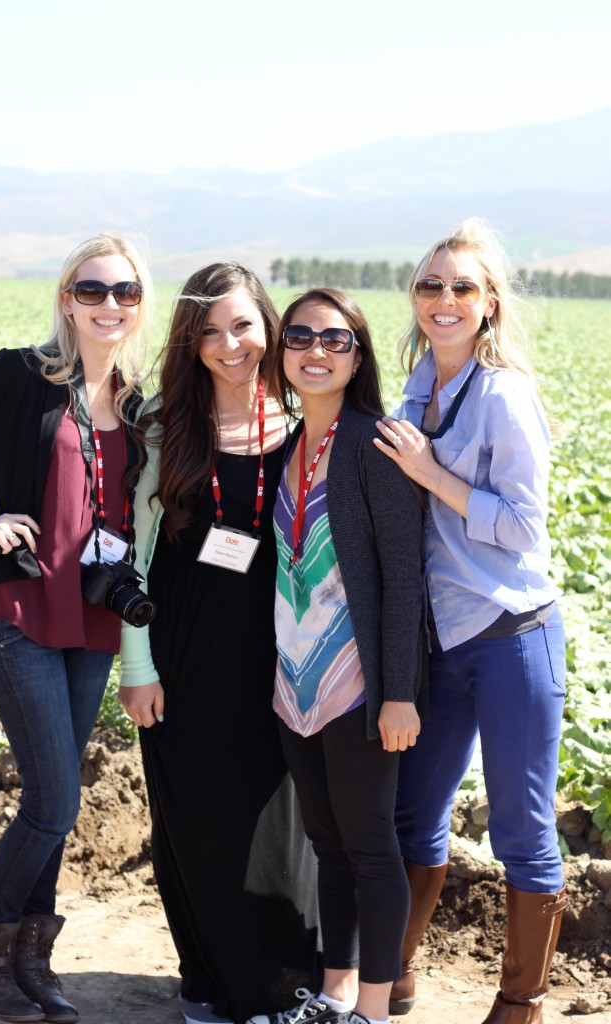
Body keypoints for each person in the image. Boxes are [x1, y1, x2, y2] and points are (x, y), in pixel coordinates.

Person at [0, 233, 152, 1024]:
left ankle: (30, 960)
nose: (109, 305)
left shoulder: (137, 400)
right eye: (92, 290)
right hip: (20, 613)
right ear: (66, 298)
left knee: (53, 797)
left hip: (92, 621)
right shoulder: (18, 376)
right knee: (55, 798)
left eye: (125, 291)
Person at [373, 218, 566, 1024]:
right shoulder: (416, 391)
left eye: (461, 287)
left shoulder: (505, 397)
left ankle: (520, 1002)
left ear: (489, 304)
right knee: (414, 815)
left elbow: (525, 527)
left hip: (512, 634)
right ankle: (399, 974)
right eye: (429, 286)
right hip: (440, 641)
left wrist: (428, 472)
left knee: (522, 826)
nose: (443, 300)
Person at [118, 263, 321, 1024]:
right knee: (195, 825)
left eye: (241, 324)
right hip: (184, 654)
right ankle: (207, 981)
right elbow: (133, 553)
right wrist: (136, 664)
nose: (228, 343)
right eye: (209, 330)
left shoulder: (307, 421)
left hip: (281, 656)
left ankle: (281, 989)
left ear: (267, 326)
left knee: (282, 827)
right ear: (190, 342)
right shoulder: (164, 425)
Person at [248, 289, 427, 1024]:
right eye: (300, 336)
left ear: (358, 357)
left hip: (361, 685)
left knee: (371, 846)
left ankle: (374, 1013)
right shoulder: (287, 447)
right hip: (296, 682)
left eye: (335, 339)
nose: (315, 351)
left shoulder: (373, 443)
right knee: (327, 845)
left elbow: (403, 577)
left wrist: (399, 692)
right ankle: (334, 996)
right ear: (282, 354)